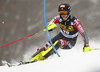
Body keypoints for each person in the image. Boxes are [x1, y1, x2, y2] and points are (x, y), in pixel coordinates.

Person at [20, 3, 95, 65]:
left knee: (59, 42)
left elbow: (83, 33)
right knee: (47, 46)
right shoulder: (58, 18)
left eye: (65, 12)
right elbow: (48, 25)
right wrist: (50, 27)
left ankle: (42, 58)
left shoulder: (75, 21)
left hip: (70, 41)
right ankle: (29, 59)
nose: (63, 15)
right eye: (61, 12)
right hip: (61, 35)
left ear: (69, 12)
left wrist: (86, 45)